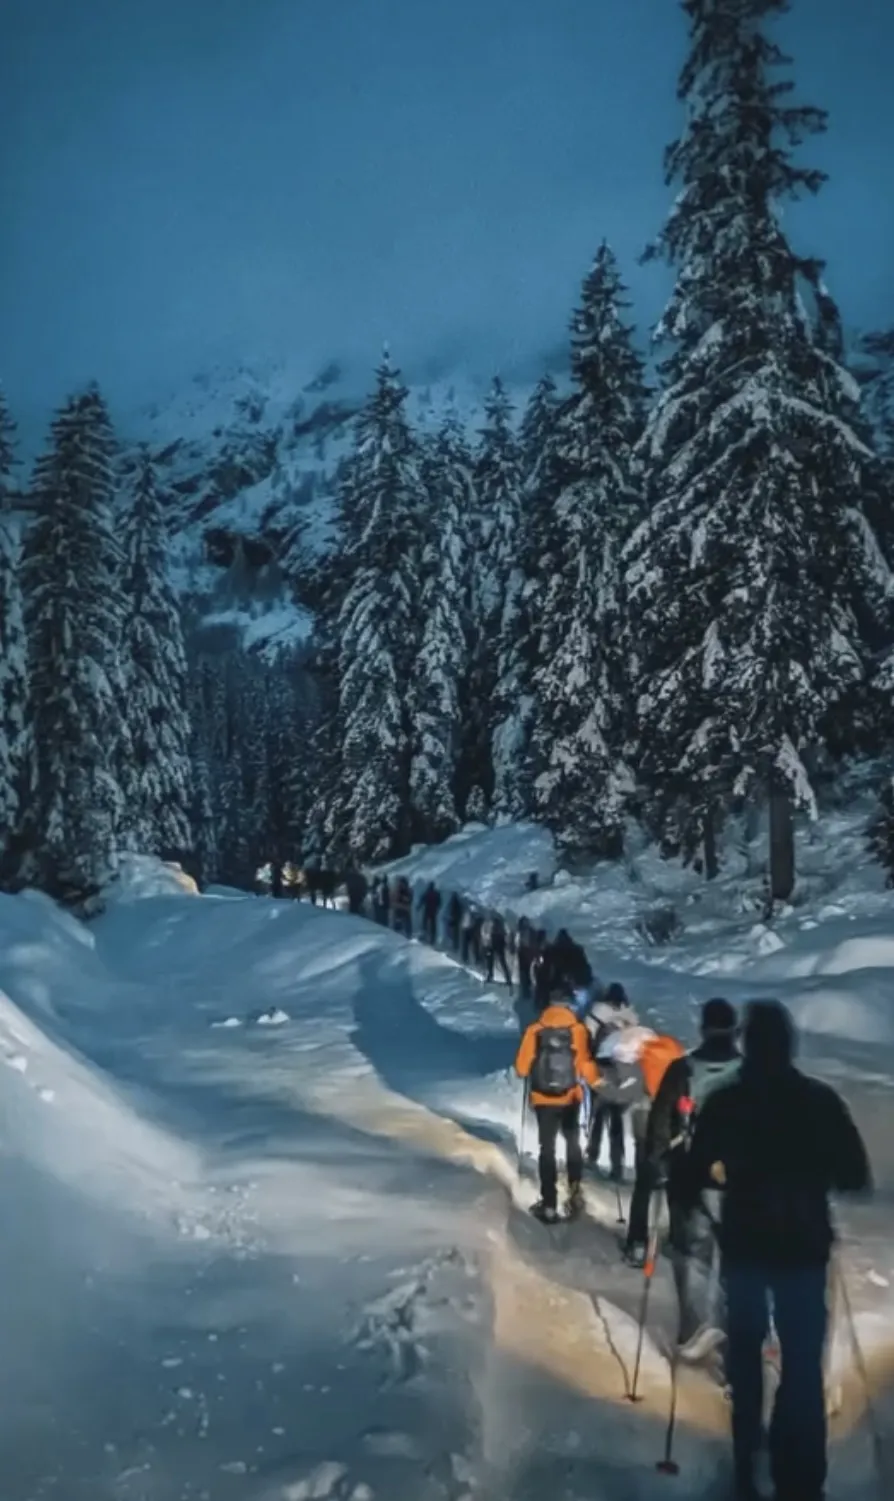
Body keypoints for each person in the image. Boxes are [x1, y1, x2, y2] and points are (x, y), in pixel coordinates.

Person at [677, 1000, 871, 1501]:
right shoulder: (820, 1101)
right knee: (802, 1363)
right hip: (804, 1248)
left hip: (745, 1246)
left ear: (747, 1044)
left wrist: (708, 1183)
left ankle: (747, 1464)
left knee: (745, 1354)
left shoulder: (726, 1102)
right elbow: (855, 1173)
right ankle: (800, 1475)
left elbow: (693, 1172)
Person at [645, 997, 741, 1359]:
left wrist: (658, 1164)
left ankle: (693, 1328)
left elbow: (660, 1121)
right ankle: (734, 1338)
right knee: (735, 1257)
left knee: (690, 1253)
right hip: (738, 1183)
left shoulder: (682, 1069)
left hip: (688, 1176)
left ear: (703, 1029)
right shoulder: (749, 1073)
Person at [515, 979, 599, 1222]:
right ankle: (574, 1193)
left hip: (543, 1099)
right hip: (570, 1097)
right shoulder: (578, 1030)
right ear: (569, 1004)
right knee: (573, 1142)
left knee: (547, 1148)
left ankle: (549, 1203)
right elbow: (584, 1063)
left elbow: (521, 1068)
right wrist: (598, 1082)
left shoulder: (535, 1029)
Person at [584, 982, 641, 1178]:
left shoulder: (597, 1013)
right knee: (617, 1120)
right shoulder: (631, 1018)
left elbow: (587, 1038)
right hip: (623, 1073)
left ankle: (592, 1157)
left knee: (598, 1115)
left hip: (601, 1070)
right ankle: (617, 1165)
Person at [483, 912, 512, 987]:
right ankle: (508, 979)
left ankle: (490, 976)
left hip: (494, 943)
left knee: (491, 961)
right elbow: (507, 933)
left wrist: (487, 942)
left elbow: (487, 934)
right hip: (498, 943)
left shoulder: (491, 923)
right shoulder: (501, 923)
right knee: (501, 962)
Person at [515, 916, 536, 1001]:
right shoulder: (521, 931)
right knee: (524, 972)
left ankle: (527, 990)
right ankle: (526, 990)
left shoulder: (526, 931)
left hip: (526, 952)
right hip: (523, 952)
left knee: (527, 971)